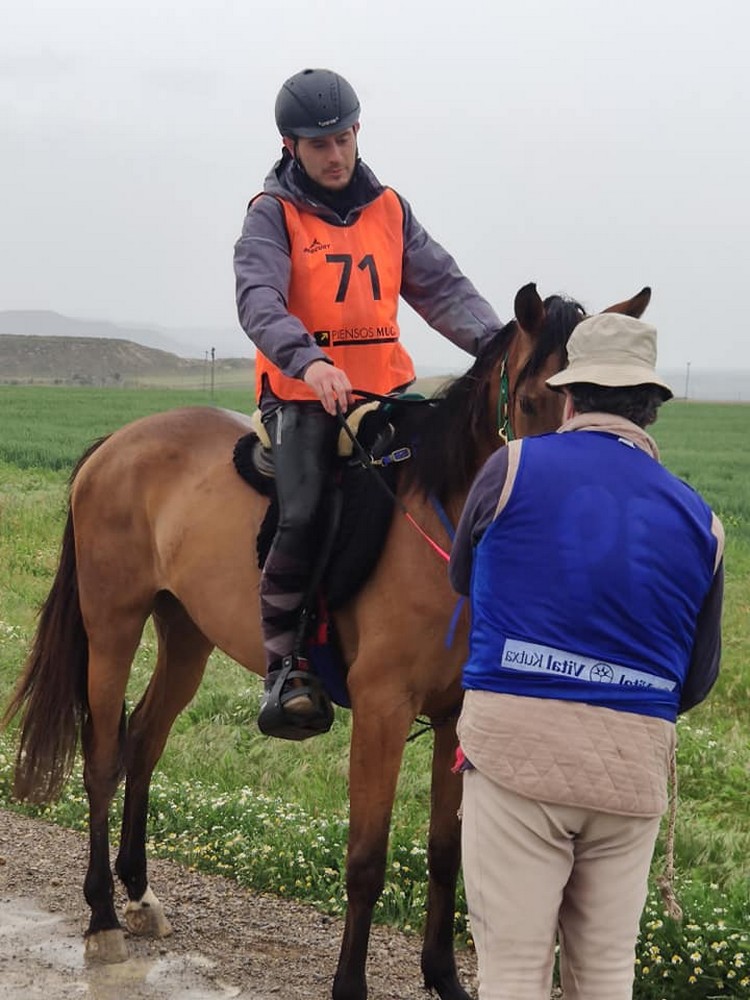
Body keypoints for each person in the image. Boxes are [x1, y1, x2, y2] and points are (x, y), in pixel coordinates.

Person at [448, 312, 724, 1000]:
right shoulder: (703, 522)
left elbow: (462, 577)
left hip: (514, 759)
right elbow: (694, 679)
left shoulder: (509, 467)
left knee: (514, 973)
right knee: (604, 975)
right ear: (652, 409)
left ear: (569, 396)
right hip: (631, 775)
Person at [234, 67, 503, 738]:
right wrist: (310, 360)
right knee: (304, 511)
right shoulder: (272, 214)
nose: (335, 155)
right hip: (301, 397)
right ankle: (287, 664)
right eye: (319, 144)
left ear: (358, 134)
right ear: (290, 145)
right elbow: (258, 301)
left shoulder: (389, 209)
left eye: (344, 139)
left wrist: (504, 346)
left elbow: (444, 289)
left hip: (386, 395)